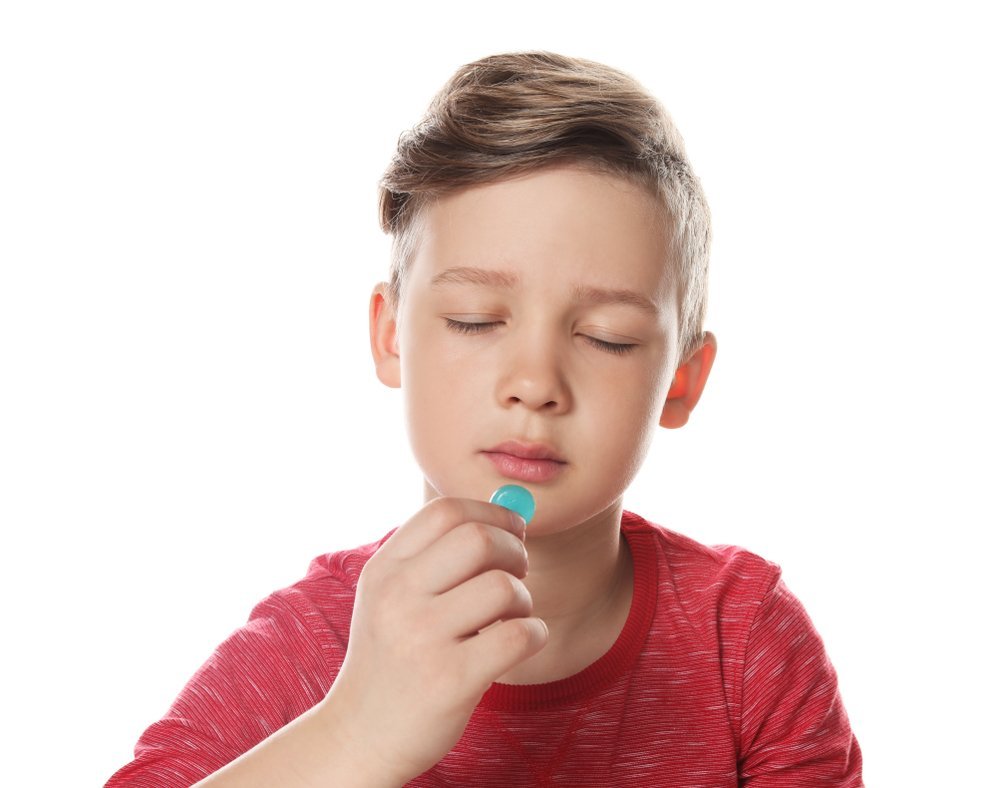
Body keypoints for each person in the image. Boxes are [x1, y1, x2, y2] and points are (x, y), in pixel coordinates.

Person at [106, 51, 863, 787]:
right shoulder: (310, 648)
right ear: (390, 335)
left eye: (608, 337)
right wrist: (356, 733)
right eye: (473, 320)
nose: (534, 384)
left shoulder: (744, 640)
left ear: (682, 382)